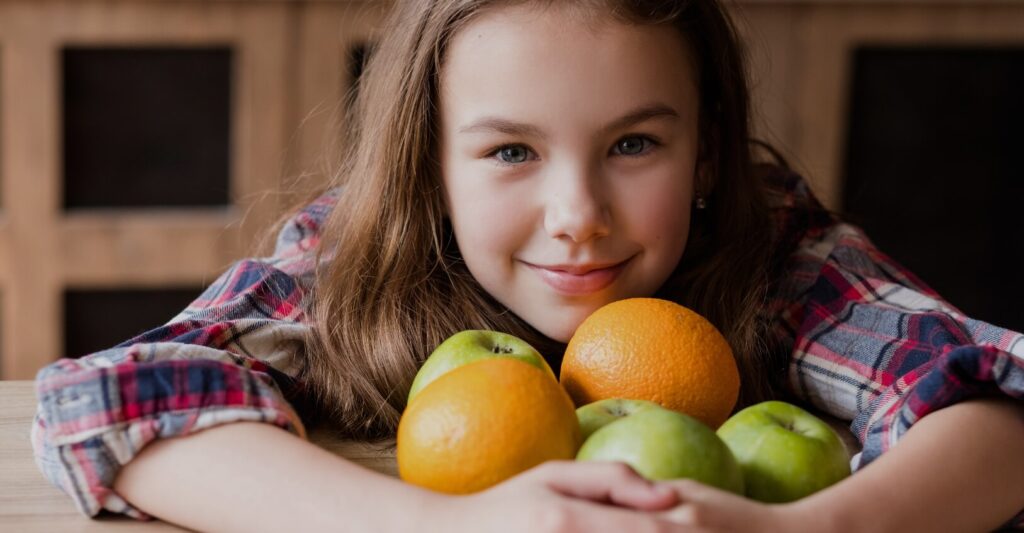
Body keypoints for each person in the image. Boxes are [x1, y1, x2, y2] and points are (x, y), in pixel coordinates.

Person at [32, 1, 1024, 531]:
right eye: (511, 151)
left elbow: (989, 404)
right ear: (431, 162)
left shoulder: (774, 252)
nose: (577, 219)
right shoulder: (357, 251)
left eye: (634, 145)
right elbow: (114, 403)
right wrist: (430, 524)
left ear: (709, 151)